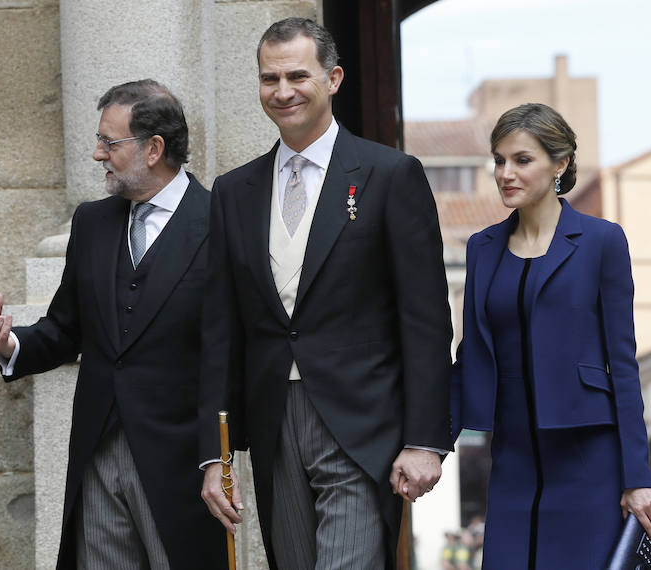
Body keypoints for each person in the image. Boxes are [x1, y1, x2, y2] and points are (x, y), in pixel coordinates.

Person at [199, 17, 453, 569]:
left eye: (297, 76)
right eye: (269, 78)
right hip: (271, 422)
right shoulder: (233, 191)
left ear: (333, 79)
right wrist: (213, 455)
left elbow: (426, 319)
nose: (282, 91)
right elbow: (220, 329)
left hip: (363, 423)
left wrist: (426, 439)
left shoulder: (390, 175)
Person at [0, 79, 226, 569]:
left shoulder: (221, 222)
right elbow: (65, 329)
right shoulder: (92, 222)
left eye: (109, 142)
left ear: (154, 149)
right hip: (98, 453)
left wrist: (218, 457)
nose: (97, 154)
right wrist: (8, 343)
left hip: (183, 462)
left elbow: (229, 351)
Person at [451, 103, 651, 569]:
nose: (505, 173)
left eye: (522, 160)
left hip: (588, 457)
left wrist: (637, 476)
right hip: (512, 459)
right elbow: (472, 357)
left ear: (560, 164)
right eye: (499, 160)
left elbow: (623, 365)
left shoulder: (602, 241)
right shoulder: (483, 248)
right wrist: (429, 443)